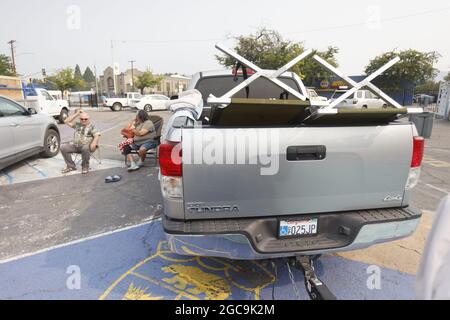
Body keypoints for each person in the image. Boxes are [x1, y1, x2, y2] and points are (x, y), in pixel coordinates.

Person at [60, 109, 100, 174]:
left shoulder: (92, 127)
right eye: (81, 119)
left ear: (89, 119)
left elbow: (97, 135)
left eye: (85, 119)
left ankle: (85, 166)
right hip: (76, 145)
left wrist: (94, 143)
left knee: (85, 148)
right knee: (63, 147)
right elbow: (66, 121)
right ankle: (71, 166)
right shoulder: (77, 125)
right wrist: (77, 114)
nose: (83, 120)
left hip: (86, 147)